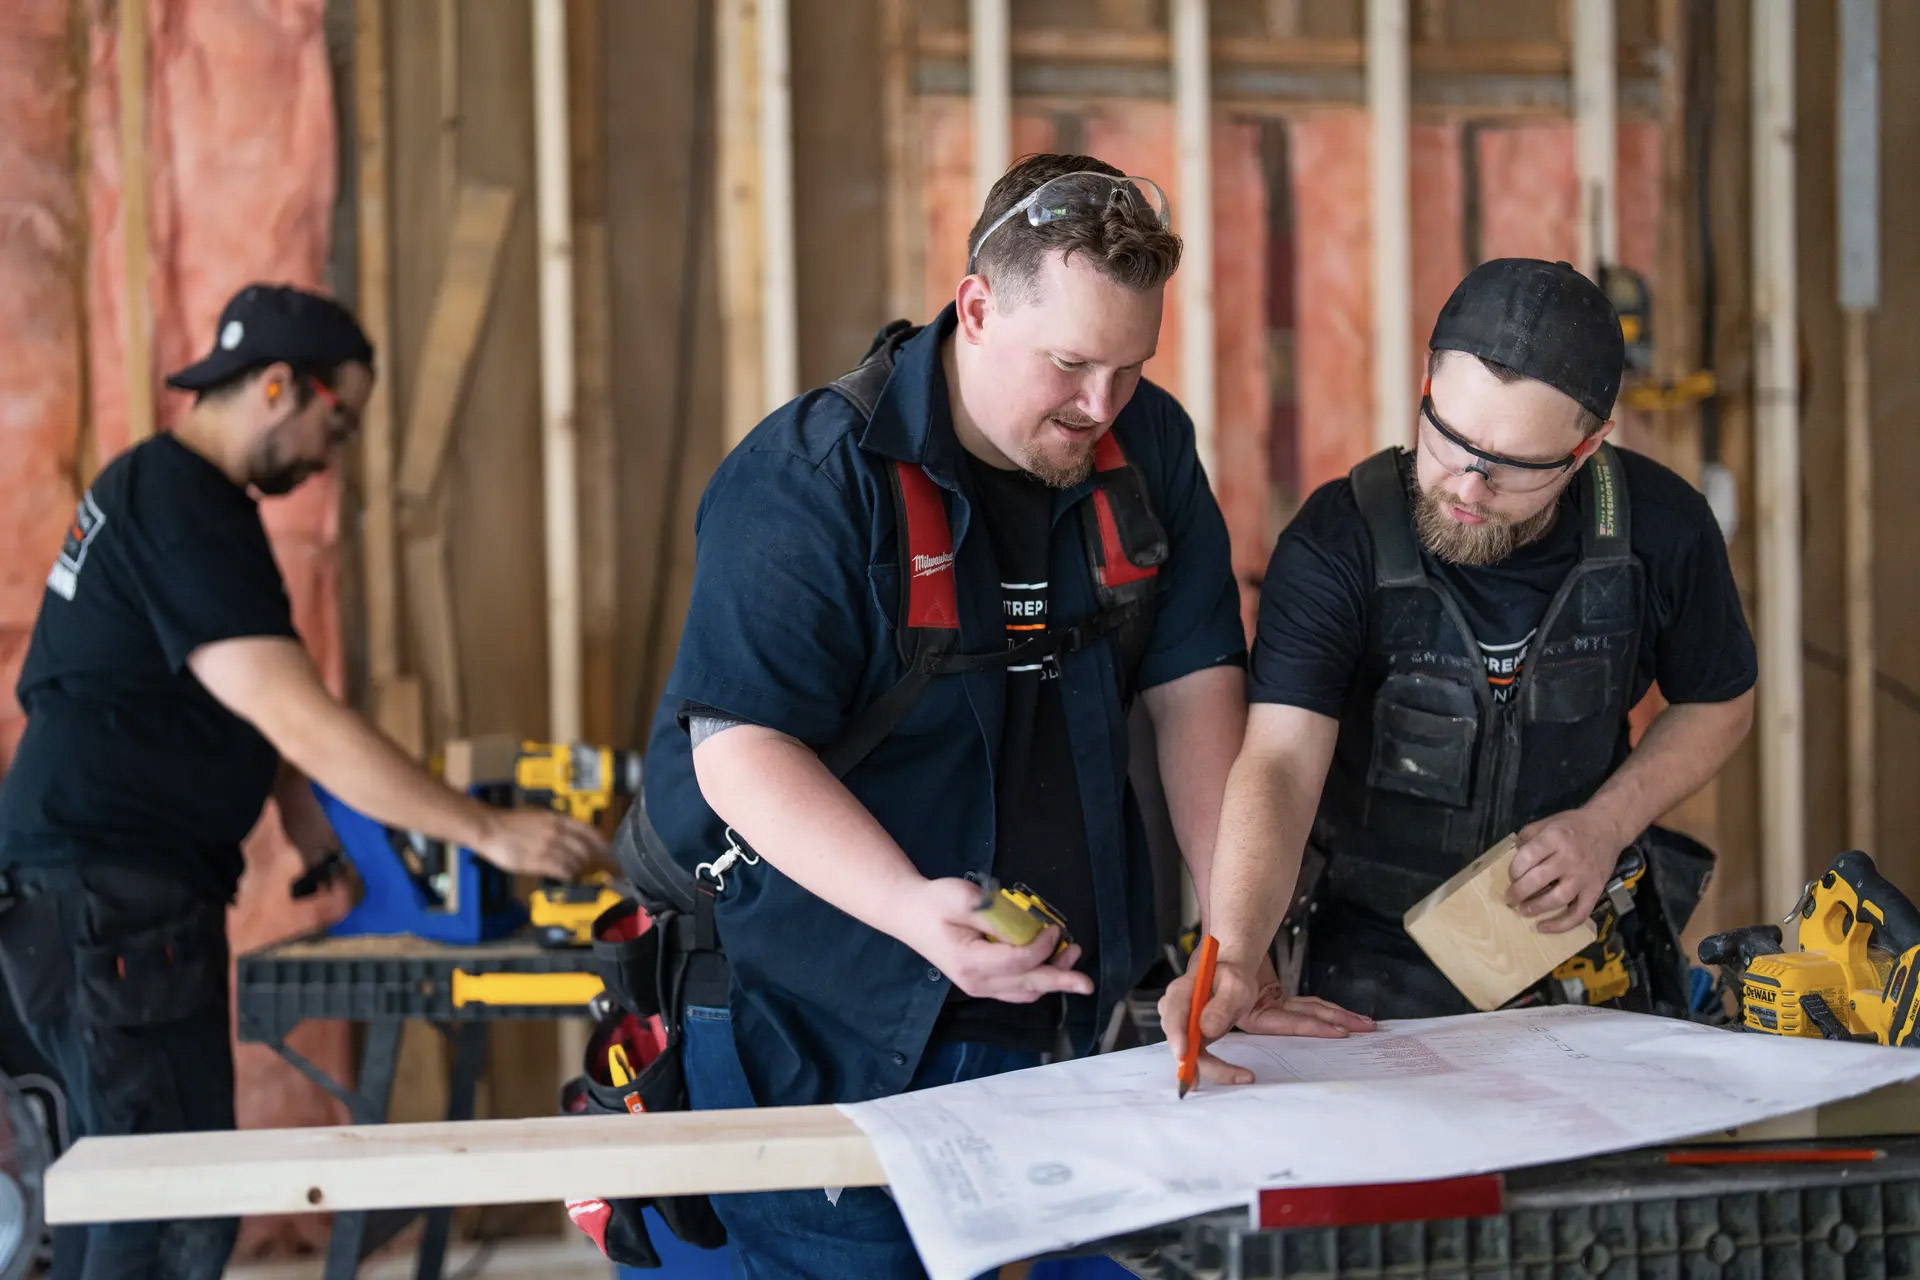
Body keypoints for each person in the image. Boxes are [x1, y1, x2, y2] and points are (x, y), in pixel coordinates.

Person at [635, 153, 1369, 1278]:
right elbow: (739, 747)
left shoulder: (1147, 448)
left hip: (1064, 1024)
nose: (1100, 404)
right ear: (975, 306)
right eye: (1071, 363)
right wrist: (908, 908)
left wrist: (1235, 937)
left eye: (1130, 367)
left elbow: (1195, 698)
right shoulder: (812, 481)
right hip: (819, 1020)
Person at [0, 283, 605, 1280]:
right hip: (100, 904)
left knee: (185, 1206)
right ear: (280, 385)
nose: (339, 449)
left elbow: (248, 704)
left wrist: (315, 831)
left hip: (126, 899)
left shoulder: (191, 506)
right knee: (145, 1214)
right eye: (341, 418)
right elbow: (296, 713)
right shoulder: (179, 505)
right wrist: (486, 834)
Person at [1159, 257, 1757, 1086]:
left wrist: (1606, 824)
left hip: (1573, 938)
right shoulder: (1339, 543)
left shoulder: (1661, 529)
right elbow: (1281, 760)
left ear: (1585, 449)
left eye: (1513, 464)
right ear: (1429, 386)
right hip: (1366, 952)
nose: (1469, 485)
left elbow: (1721, 703)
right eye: (1451, 438)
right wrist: (1235, 948)